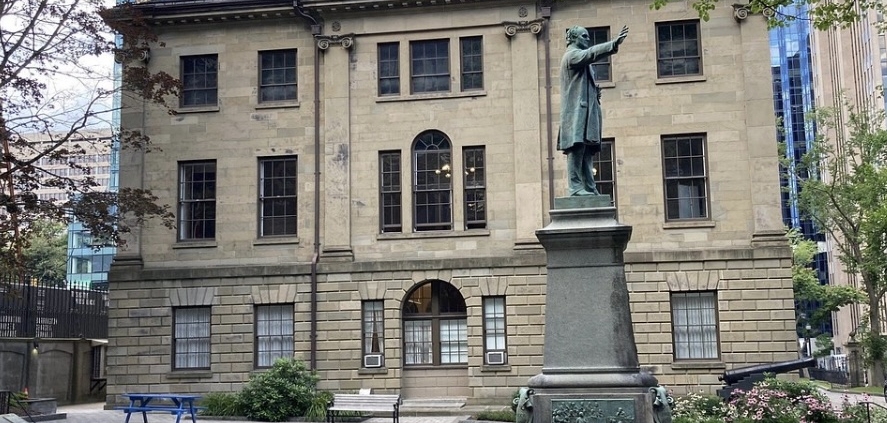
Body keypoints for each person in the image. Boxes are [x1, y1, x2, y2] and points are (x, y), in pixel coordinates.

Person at [558, 25, 628, 196]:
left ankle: (589, 186)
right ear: (573, 38)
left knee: (587, 150)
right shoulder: (572, 55)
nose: (588, 39)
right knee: (577, 148)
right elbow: (590, 54)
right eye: (584, 36)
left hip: (587, 112)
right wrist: (613, 44)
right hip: (576, 114)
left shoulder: (580, 59)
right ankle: (575, 188)